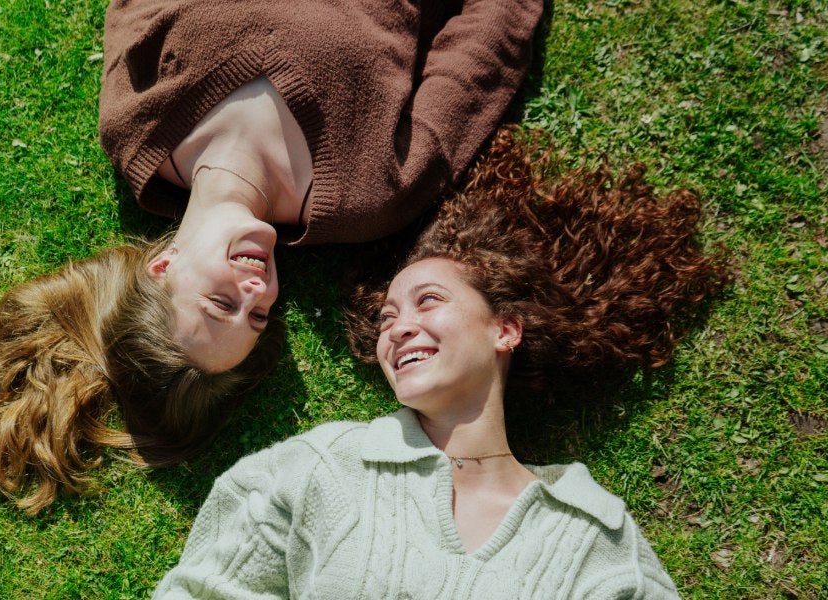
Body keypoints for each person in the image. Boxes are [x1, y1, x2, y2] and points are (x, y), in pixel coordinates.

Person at [0, 0, 544, 514]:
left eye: (222, 302)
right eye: (257, 318)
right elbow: (486, 44)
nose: (259, 291)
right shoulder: (367, 192)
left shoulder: (135, 125)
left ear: (163, 266)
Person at [151, 132, 728, 598]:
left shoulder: (593, 535)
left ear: (505, 329)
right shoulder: (315, 471)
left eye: (429, 301)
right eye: (386, 318)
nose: (398, 327)